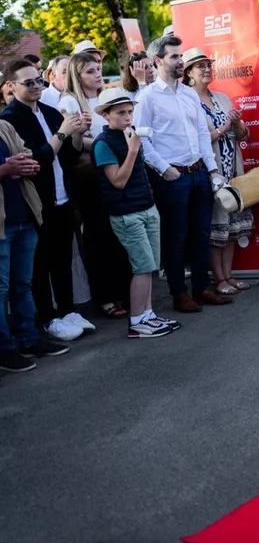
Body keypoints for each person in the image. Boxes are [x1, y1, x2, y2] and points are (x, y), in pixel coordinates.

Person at [135, 36, 232, 313]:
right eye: (174, 57)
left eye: (180, 56)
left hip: (199, 172)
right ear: (158, 61)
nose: (181, 61)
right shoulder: (147, 97)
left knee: (201, 234)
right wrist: (164, 169)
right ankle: (179, 294)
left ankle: (202, 288)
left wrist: (213, 170)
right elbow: (142, 140)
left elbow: (202, 134)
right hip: (172, 177)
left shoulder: (189, 94)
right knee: (176, 238)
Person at [0, 59, 91, 341]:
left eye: (38, 80)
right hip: (36, 203)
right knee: (39, 266)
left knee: (62, 259)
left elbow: (71, 156)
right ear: (11, 86)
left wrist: (76, 133)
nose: (36, 86)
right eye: (29, 82)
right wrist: (63, 132)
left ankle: (67, 309)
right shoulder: (11, 119)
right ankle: (48, 317)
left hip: (63, 197)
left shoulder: (51, 112)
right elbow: (36, 160)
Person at [90, 88, 179, 338]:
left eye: (130, 111)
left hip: (147, 208)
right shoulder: (103, 143)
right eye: (121, 113)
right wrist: (131, 150)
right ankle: (137, 320)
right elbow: (117, 181)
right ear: (106, 116)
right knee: (141, 267)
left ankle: (147, 314)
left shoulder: (131, 136)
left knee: (149, 266)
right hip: (126, 213)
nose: (128, 117)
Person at [59, 52, 133, 321]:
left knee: (120, 232)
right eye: (90, 71)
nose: (98, 73)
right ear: (77, 75)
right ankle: (104, 296)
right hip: (89, 178)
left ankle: (125, 290)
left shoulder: (106, 97)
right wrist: (111, 144)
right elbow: (74, 145)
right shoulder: (70, 101)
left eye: (99, 68)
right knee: (99, 236)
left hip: (115, 171)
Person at [181, 48, 254, 296]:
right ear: (188, 72)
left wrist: (236, 122)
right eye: (199, 65)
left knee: (232, 226)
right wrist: (224, 127)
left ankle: (229, 276)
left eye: (208, 64)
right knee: (216, 226)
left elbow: (242, 135)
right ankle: (218, 279)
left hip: (233, 168)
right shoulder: (187, 100)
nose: (206, 69)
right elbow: (195, 140)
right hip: (211, 172)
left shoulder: (222, 97)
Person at [0, 109, 64, 372]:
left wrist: (29, 162)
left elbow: (25, 151)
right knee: (1, 289)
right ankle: (5, 350)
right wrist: (6, 168)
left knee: (22, 284)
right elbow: (9, 165)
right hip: (2, 225)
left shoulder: (3, 126)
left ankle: (28, 339)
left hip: (24, 216)